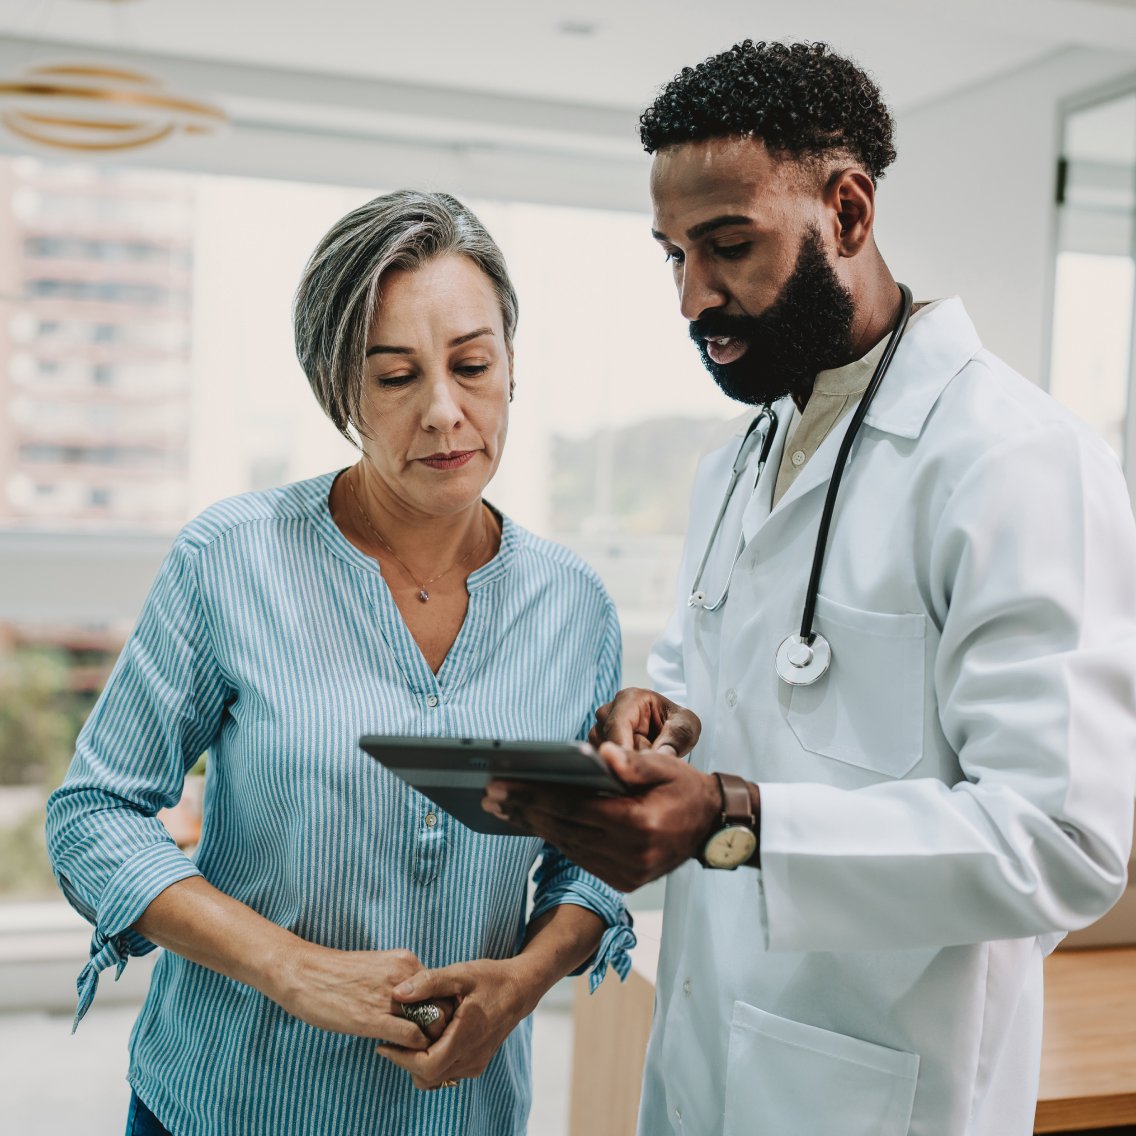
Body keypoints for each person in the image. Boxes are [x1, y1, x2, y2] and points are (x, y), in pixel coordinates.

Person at [474, 40, 1136, 1136]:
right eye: (672, 254)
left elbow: (1060, 842)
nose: (692, 295)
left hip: (887, 1083)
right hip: (702, 1053)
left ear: (846, 210)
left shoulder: (1014, 458)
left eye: (727, 245)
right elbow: (718, 683)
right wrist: (664, 718)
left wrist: (734, 819)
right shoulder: (737, 458)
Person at [45, 189, 633, 1136]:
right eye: (395, 377)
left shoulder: (575, 607)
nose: (446, 412)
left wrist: (524, 982)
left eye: (473, 365)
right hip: (227, 1104)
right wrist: (289, 965)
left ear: (512, 368)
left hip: (463, 1115)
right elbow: (92, 816)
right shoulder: (231, 561)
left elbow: (595, 857)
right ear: (338, 391)